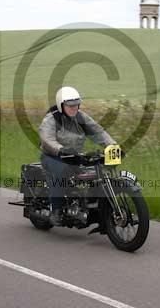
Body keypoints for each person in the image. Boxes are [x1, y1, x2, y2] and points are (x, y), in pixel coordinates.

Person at [39, 86, 117, 226]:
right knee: (62, 172)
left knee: (98, 171)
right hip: (53, 156)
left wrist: (113, 146)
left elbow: (98, 132)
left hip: (74, 156)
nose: (74, 108)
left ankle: (90, 204)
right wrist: (62, 150)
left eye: (76, 104)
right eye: (70, 105)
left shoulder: (81, 117)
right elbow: (47, 140)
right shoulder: (51, 119)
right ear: (61, 105)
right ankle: (55, 210)